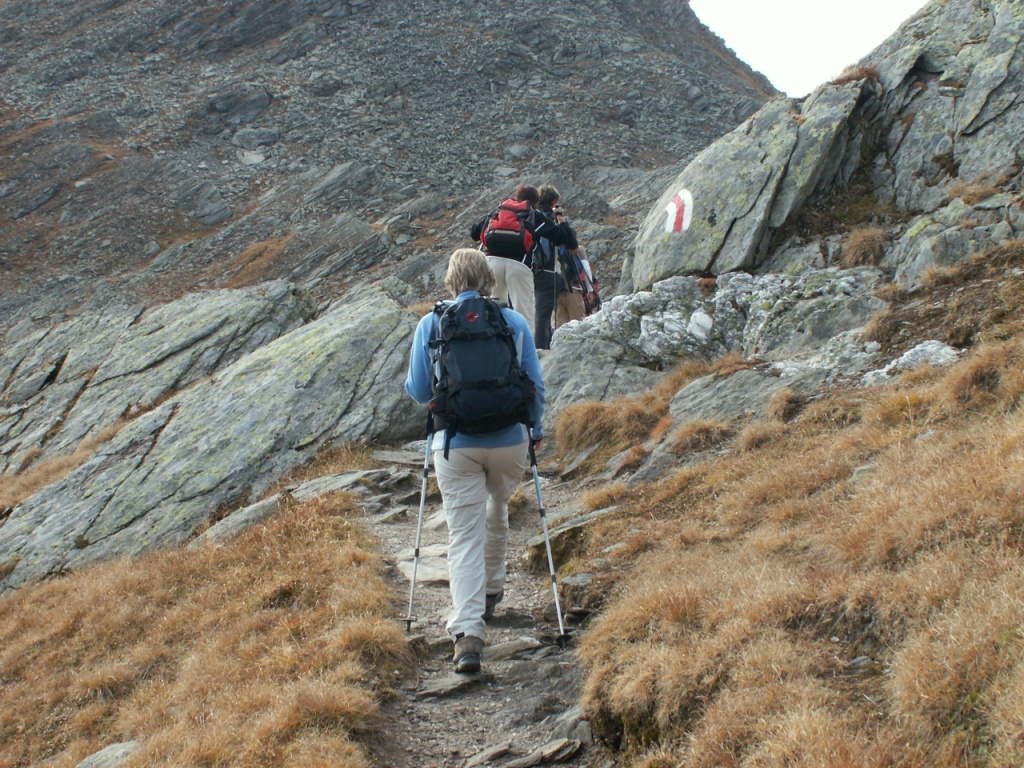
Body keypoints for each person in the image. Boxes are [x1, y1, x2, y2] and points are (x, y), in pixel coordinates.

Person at [404, 248, 546, 675]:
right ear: (489, 279)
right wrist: (535, 430)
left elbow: (418, 390)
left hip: (455, 443)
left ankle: (468, 633)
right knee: (497, 507)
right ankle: (492, 591)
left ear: (451, 280)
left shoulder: (431, 323)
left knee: (463, 535)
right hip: (509, 439)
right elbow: (536, 386)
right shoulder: (513, 321)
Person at [470, 184, 574, 337]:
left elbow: (474, 232)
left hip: (491, 263)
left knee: (493, 309)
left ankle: (494, 344)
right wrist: (561, 219)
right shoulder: (534, 215)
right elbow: (564, 239)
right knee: (524, 312)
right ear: (536, 202)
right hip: (519, 265)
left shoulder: (500, 211)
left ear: (517, 198)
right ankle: (525, 348)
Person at [533, 184, 580, 349]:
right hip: (548, 272)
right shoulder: (551, 219)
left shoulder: (530, 216)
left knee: (532, 312)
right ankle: (540, 349)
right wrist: (560, 218)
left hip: (527, 270)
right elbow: (572, 245)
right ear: (554, 201)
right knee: (543, 316)